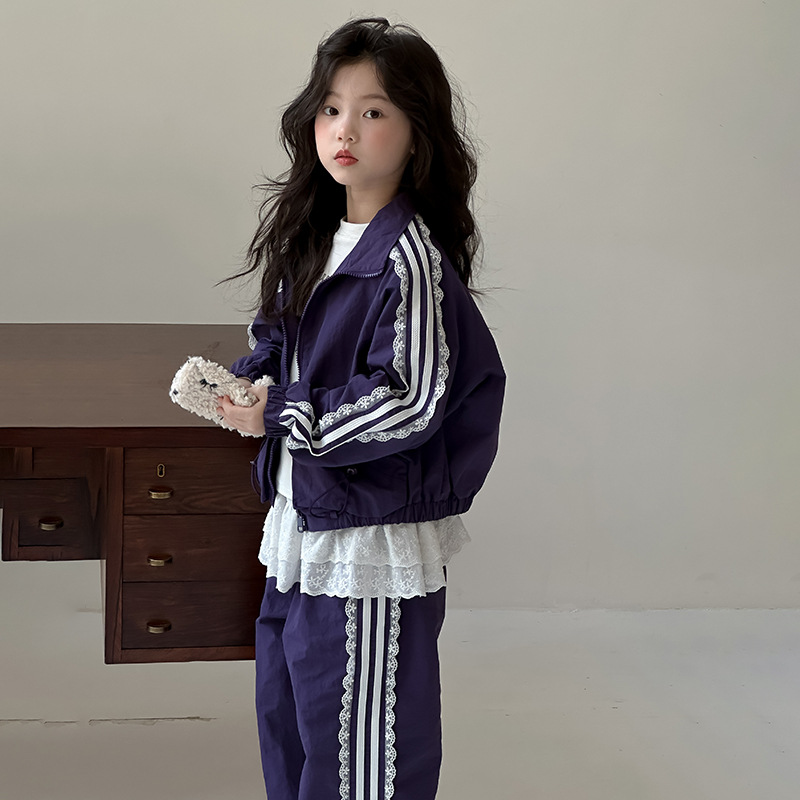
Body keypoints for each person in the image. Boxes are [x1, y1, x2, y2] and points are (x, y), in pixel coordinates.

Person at [217, 17, 505, 800]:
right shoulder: (315, 239)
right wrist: (252, 379)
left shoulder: (409, 259)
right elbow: (282, 337)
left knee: (364, 751)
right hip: (304, 519)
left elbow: (408, 400)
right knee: (290, 719)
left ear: (416, 134)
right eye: (331, 108)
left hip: (367, 538)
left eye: (373, 111)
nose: (345, 129)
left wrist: (282, 414)